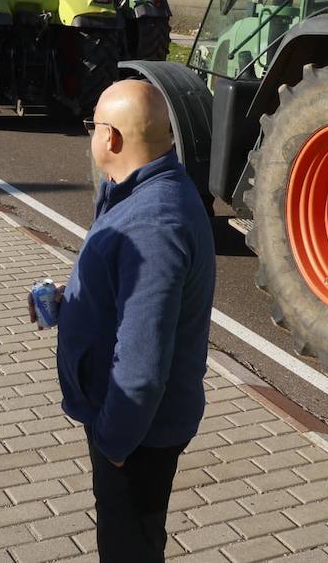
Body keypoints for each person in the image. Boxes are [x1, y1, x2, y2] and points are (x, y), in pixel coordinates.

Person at [35, 79, 215, 563]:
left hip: (136, 436)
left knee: (127, 547)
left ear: (110, 138)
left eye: (93, 125)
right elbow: (130, 297)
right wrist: (69, 297)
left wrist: (114, 443)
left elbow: (143, 360)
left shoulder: (154, 223)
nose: (90, 135)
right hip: (132, 428)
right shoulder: (135, 192)